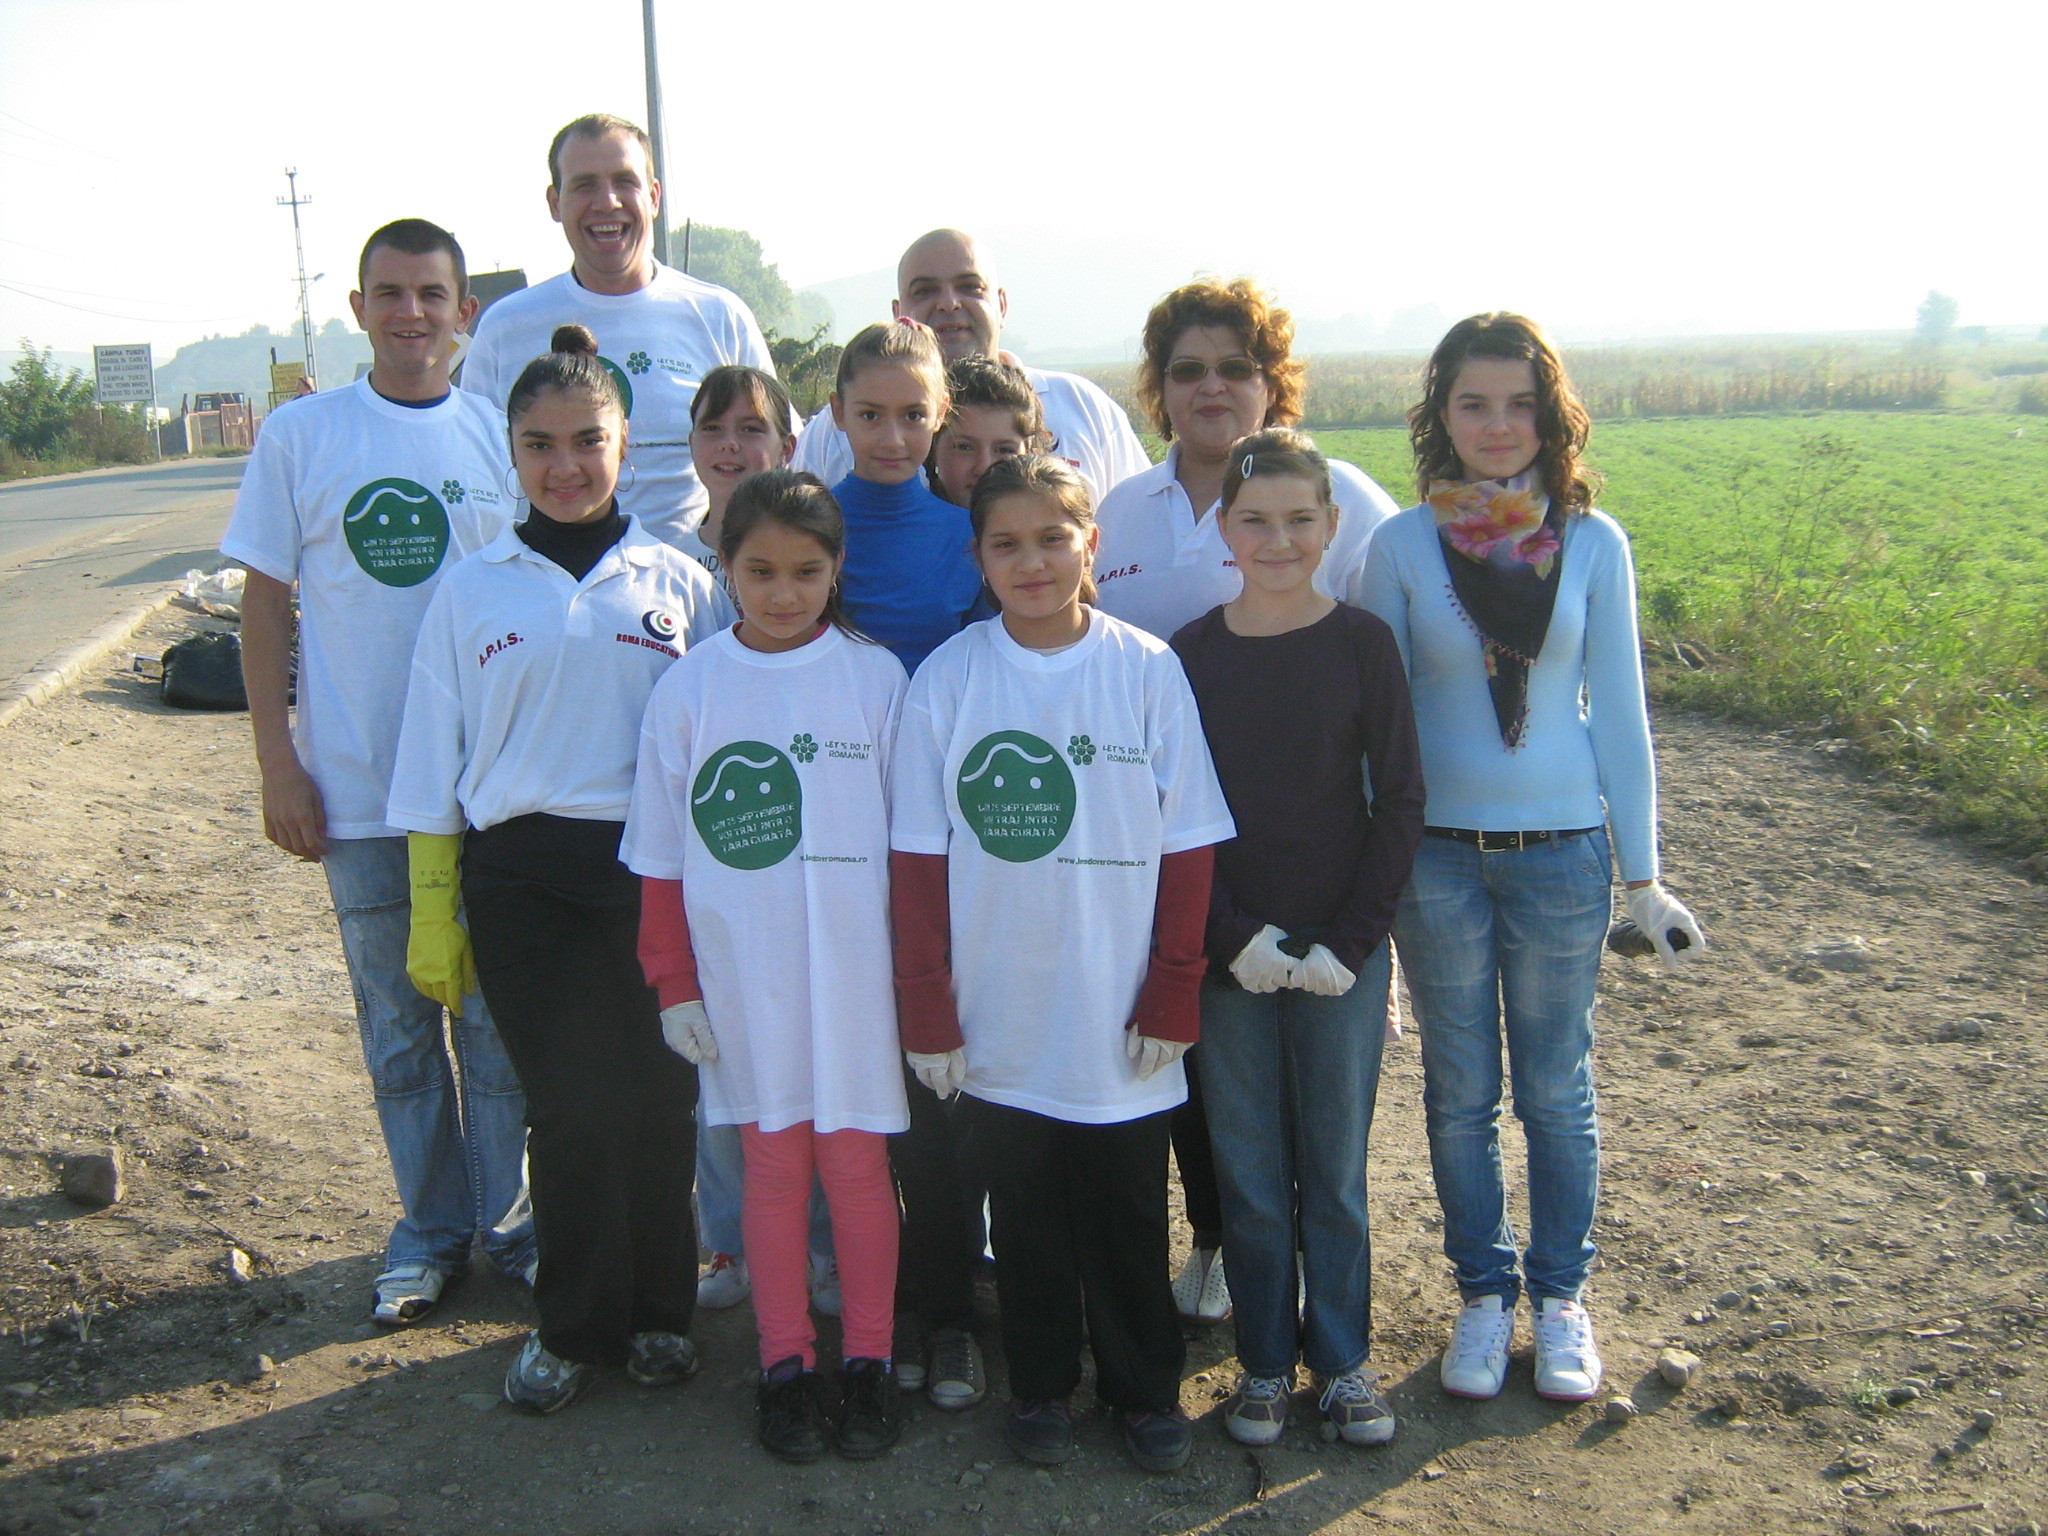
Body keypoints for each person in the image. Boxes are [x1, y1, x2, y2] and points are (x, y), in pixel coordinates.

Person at [1354, 312, 1707, 1406]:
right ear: (1440, 417)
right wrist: (1368, 874)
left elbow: (1620, 722)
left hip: (1563, 857)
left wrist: (1639, 878)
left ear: (1550, 418)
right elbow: (1374, 725)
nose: (1496, 426)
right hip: (1436, 861)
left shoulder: (1595, 546)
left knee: (1553, 1092)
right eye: (1472, 403)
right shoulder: (1401, 546)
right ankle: (1480, 1296)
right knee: (1459, 1094)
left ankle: (1559, 1297)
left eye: (1518, 404)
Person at [386, 324, 728, 1413]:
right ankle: (575, 1329)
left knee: (660, 1101)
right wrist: (434, 909)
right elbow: (431, 762)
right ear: (510, 451)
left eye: (588, 440)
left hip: (655, 872)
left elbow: (730, 739)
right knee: (573, 1109)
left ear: (626, 444)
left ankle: (660, 1318)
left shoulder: (684, 581)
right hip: (521, 881)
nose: (565, 465)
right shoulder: (470, 588)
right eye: (540, 444)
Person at [889, 455, 1235, 1473]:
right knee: (1026, 1216)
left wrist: (1174, 983)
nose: (1031, 560)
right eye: (1006, 543)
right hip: (999, 1014)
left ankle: (1141, 1389)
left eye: (1053, 537)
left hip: (1119, 1013)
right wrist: (927, 1009)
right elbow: (914, 861)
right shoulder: (947, 680)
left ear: (1092, 544)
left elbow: (1189, 842)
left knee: (1128, 1213)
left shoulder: (1144, 669)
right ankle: (1040, 1385)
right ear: (978, 559)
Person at [222, 217, 532, 1328]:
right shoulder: (304, 438)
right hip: (357, 796)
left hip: (485, 796)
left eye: (431, 294)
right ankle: (430, 1228)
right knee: (398, 1029)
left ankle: (509, 1228)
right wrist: (278, 762)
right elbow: (265, 601)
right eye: (389, 294)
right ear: (357, 310)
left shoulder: (505, 439)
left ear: (464, 315)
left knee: (494, 1029)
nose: (410, 314)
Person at [1094, 276, 1405, 1324]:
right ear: (1158, 389)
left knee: (1314, 1124)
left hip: (1317, 861)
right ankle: (1224, 1246)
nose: (1210, 387)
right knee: (1200, 1081)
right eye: (1187, 370)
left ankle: (1319, 1326)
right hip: (1180, 856)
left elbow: (1374, 692)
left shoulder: (1350, 499)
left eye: (1235, 367)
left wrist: (1366, 932)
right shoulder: (1119, 509)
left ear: (1273, 383)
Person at [625, 470, 910, 1463]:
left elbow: (915, 848)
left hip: (856, 982)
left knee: (858, 1168)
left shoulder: (875, 679)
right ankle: (784, 1365)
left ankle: (867, 1361)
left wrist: (919, 981)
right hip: (747, 984)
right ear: (725, 568)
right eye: (759, 571)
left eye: (805, 571)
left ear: (836, 572)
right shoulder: (690, 689)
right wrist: (673, 981)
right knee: (774, 1172)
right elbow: (660, 854)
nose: (782, 592)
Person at [1170, 429, 1425, 1448]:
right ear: (1224, 529)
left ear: (1329, 526)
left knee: (1331, 1168)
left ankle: (1343, 1360)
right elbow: (1171, 817)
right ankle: (1265, 1365)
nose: (1276, 540)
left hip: (1338, 961)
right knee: (1245, 1168)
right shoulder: (1189, 655)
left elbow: (1398, 800)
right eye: (1254, 521)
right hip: (1229, 960)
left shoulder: (1361, 644)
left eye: (1298, 520)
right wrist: (1232, 940)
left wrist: (1353, 946)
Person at [461, 113, 774, 552]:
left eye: (624, 182)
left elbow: (775, 462)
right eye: (585, 185)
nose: (607, 202)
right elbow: (478, 475)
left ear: (654, 196)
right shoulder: (504, 326)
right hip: (546, 598)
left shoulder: (719, 316)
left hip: (694, 603)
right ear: (555, 202)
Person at [793, 230, 1147, 502]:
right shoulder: (833, 431)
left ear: (1002, 305)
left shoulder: (1082, 407)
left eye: (970, 288)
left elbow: (1136, 536)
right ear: (898, 312)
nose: (948, 304)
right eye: (925, 291)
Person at [831, 320, 984, 674]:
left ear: (941, 412)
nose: (893, 439)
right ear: (839, 412)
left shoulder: (969, 535)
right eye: (870, 415)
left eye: (913, 415)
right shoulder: (807, 529)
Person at [676, 365, 798, 580]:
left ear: (785, 449)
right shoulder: (671, 563)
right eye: (712, 428)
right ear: (691, 442)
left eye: (750, 429)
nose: (729, 444)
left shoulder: (808, 555)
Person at [930, 356, 1049, 509]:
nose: (983, 467)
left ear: (1030, 453)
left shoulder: (1054, 526)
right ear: (933, 447)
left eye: (1004, 450)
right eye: (965, 447)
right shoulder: (909, 529)